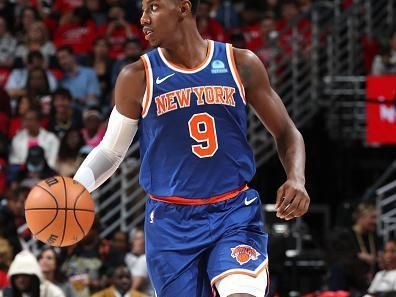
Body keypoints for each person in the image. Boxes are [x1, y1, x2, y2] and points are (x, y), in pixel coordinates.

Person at [73, 0, 310, 296]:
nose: (143, 18)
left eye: (154, 8)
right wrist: (76, 188)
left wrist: (296, 178)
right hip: (170, 223)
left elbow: (286, 131)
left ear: (183, 9)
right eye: (144, 9)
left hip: (233, 212)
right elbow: (111, 151)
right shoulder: (137, 76)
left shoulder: (240, 63)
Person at [0, 250, 65, 297]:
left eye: (25, 276)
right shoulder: (4, 294)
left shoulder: (51, 292)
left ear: (34, 277)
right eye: (16, 276)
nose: (21, 280)